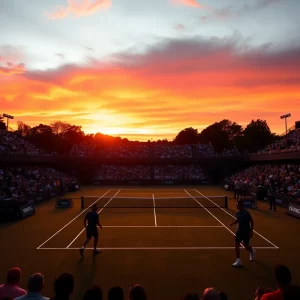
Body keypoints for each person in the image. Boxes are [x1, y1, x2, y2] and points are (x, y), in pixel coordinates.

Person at [230, 200, 255, 267]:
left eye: (237, 204)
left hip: (246, 232)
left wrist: (251, 231)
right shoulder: (237, 213)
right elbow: (238, 220)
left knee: (246, 246)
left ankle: (252, 251)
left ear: (241, 205)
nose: (236, 205)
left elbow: (252, 222)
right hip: (239, 231)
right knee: (236, 245)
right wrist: (233, 223)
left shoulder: (247, 213)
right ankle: (238, 260)